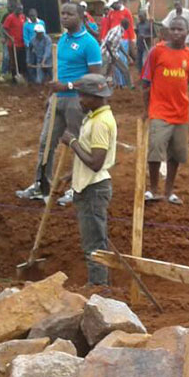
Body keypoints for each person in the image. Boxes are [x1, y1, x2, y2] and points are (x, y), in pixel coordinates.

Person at [16, 2, 103, 204]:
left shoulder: (90, 44)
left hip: (78, 101)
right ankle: (41, 185)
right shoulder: (62, 39)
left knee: (79, 145)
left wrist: (69, 86)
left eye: (69, 14)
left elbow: (95, 79)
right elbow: (59, 73)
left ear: (80, 16)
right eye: (62, 13)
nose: (64, 17)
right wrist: (52, 95)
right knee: (46, 142)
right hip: (58, 100)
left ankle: (77, 188)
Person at [59, 74, 117, 286]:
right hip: (89, 186)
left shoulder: (100, 123)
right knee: (95, 240)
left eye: (83, 95)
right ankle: (99, 284)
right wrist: (73, 175)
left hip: (94, 189)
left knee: (94, 243)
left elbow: (96, 162)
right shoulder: (94, 117)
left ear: (95, 97)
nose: (80, 100)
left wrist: (72, 142)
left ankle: (98, 286)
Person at [142, 16, 189, 205]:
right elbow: (146, 81)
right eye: (172, 29)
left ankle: (169, 191)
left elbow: (188, 80)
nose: (176, 33)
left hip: (181, 112)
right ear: (167, 31)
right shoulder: (156, 52)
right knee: (155, 150)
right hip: (159, 110)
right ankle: (153, 189)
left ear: (187, 32)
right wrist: (145, 109)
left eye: (180, 29)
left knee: (176, 154)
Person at [101, 19, 132, 88]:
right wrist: (112, 57)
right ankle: (103, 89)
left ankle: (130, 87)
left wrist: (127, 56)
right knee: (104, 73)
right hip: (106, 54)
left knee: (124, 70)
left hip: (113, 54)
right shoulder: (117, 31)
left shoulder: (120, 31)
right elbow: (107, 43)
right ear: (126, 26)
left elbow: (119, 45)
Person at [2, 5, 27, 83]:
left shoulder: (22, 17)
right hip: (13, 44)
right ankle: (14, 79)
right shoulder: (10, 17)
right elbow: (4, 29)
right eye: (19, 10)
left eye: (21, 10)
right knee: (13, 62)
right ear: (16, 9)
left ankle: (21, 76)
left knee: (21, 61)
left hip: (21, 43)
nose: (20, 12)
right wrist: (9, 37)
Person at [135, 10, 154, 74]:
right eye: (139, 17)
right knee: (138, 61)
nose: (140, 18)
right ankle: (141, 75)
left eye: (141, 17)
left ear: (145, 16)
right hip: (139, 45)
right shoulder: (138, 24)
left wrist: (146, 36)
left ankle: (146, 75)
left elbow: (154, 35)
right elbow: (137, 34)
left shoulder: (150, 24)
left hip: (146, 45)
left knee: (144, 61)